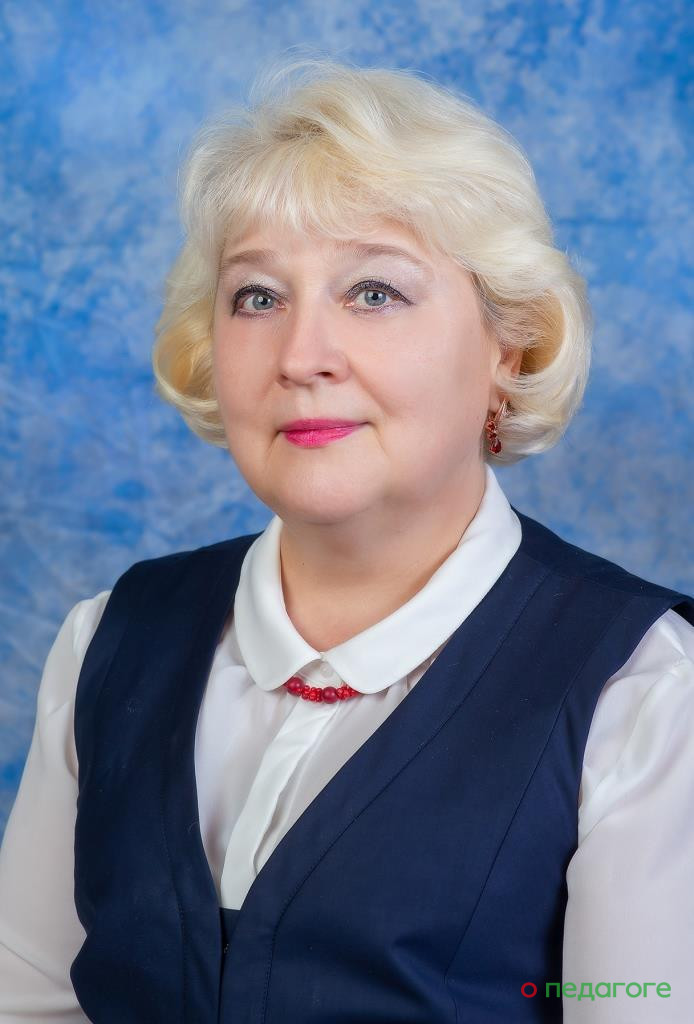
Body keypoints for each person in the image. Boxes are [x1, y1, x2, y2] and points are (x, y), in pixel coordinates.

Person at [0, 56, 692, 1024]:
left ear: (509, 345)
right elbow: (28, 1004)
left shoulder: (645, 693)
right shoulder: (107, 642)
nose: (300, 356)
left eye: (374, 292)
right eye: (257, 296)